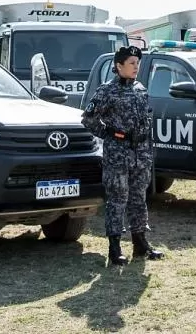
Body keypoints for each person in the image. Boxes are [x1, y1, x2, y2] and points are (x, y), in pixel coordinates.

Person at [81, 45, 164, 266]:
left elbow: (146, 120)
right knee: (117, 200)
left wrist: (147, 148)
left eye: (138, 63)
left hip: (140, 152)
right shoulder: (106, 91)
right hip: (118, 153)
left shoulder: (140, 88)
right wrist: (108, 134)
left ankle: (140, 242)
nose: (136, 67)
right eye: (131, 63)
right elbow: (88, 119)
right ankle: (115, 246)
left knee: (139, 198)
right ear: (119, 66)